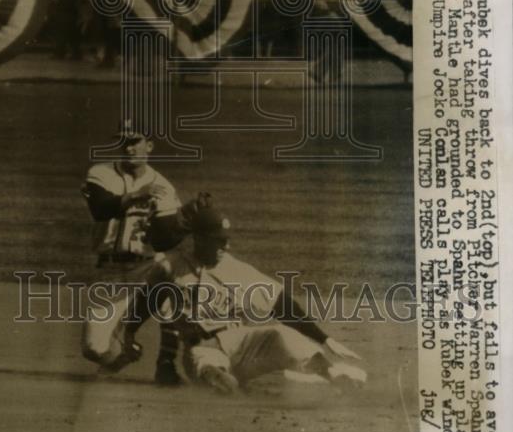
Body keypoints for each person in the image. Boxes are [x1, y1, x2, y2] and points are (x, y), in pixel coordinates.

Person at [130, 205, 366, 394]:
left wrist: (325, 339)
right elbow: (146, 302)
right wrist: (129, 335)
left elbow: (281, 305)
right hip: (202, 350)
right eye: (219, 241)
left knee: (280, 334)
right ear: (199, 238)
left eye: (226, 239)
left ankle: (333, 374)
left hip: (242, 346)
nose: (226, 245)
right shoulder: (171, 266)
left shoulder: (238, 269)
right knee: (218, 378)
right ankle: (227, 382)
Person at [80, 122, 209, 386]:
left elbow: (164, 238)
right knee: (93, 348)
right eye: (124, 141)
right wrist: (137, 195)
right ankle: (125, 352)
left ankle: (167, 364)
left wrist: (187, 220)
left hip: (147, 268)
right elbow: (100, 209)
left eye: (135, 141)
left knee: (171, 284)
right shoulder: (101, 173)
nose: (129, 146)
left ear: (149, 145)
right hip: (111, 272)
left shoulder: (162, 185)